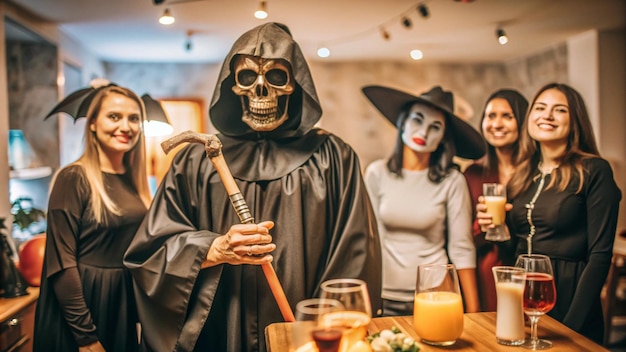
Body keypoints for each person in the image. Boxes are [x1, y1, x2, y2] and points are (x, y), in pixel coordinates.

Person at [123, 22, 382, 352]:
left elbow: (353, 257)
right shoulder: (196, 161)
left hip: (305, 333)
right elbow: (152, 251)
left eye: (276, 78)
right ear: (232, 86)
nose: (261, 91)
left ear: (296, 85)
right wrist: (213, 248)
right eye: (248, 78)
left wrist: (324, 330)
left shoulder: (333, 158)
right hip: (219, 327)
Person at [476, 82, 621, 343]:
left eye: (560, 110)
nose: (547, 115)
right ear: (530, 117)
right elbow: (514, 250)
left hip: (571, 296)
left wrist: (572, 328)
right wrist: (496, 230)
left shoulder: (594, 171)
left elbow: (600, 256)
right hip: (520, 299)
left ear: (575, 120)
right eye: (540, 108)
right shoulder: (523, 175)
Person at [33, 83, 152, 352]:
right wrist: (86, 337)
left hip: (118, 306)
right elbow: (61, 264)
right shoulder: (73, 178)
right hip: (82, 309)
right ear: (93, 124)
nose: (126, 126)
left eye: (134, 118)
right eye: (114, 116)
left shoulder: (135, 183)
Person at [362, 85, 484, 316]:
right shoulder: (376, 173)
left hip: (435, 293)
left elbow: (461, 247)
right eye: (417, 120)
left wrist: (474, 310)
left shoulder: (452, 181)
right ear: (403, 123)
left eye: (435, 127)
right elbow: (369, 239)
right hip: (383, 293)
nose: (424, 132)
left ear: (443, 139)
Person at [463, 89, 528, 311]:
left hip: (527, 268)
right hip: (488, 270)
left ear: (522, 121)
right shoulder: (473, 173)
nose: (497, 124)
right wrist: (480, 226)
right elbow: (461, 239)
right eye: (491, 116)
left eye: (507, 116)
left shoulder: (536, 172)